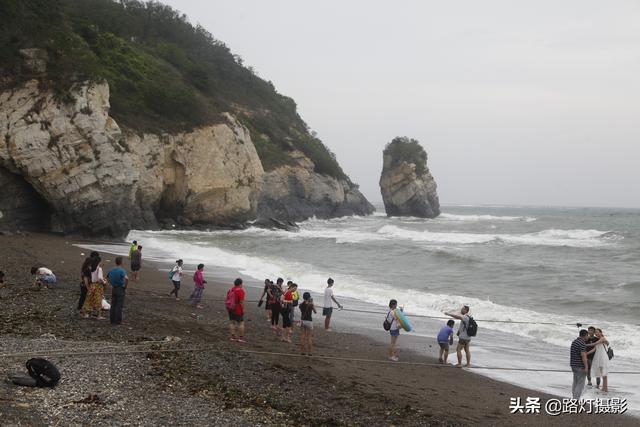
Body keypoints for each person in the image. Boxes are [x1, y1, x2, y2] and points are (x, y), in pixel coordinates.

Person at [106, 256, 129, 325]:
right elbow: (127, 278)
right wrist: (125, 286)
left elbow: (107, 278)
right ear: (121, 262)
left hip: (114, 288)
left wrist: (110, 284)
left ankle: (112, 320)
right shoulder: (122, 270)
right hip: (120, 288)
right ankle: (118, 321)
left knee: (113, 304)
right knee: (119, 305)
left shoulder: (112, 269)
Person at [587, 328, 610, 392]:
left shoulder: (602, 338)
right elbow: (594, 349)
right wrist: (586, 353)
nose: (596, 333)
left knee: (604, 372)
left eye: (597, 332)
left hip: (602, 357)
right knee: (602, 372)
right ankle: (604, 387)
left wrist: (584, 344)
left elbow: (594, 344)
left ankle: (605, 388)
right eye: (595, 332)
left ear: (601, 332)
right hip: (598, 357)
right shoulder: (599, 339)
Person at [570, 329, 589, 399]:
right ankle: (576, 399)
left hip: (573, 365)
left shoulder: (574, 342)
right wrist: (586, 367)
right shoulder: (582, 343)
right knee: (580, 384)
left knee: (575, 382)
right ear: (585, 335)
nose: (588, 337)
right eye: (587, 336)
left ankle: (574, 397)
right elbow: (583, 356)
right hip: (580, 366)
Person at [226, 278, 245, 342]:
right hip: (238, 309)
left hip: (230, 308)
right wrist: (243, 309)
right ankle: (241, 338)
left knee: (232, 322)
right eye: (242, 284)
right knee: (241, 323)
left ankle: (232, 337)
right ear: (240, 284)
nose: (242, 285)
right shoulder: (240, 291)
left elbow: (227, 299)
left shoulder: (230, 289)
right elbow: (241, 302)